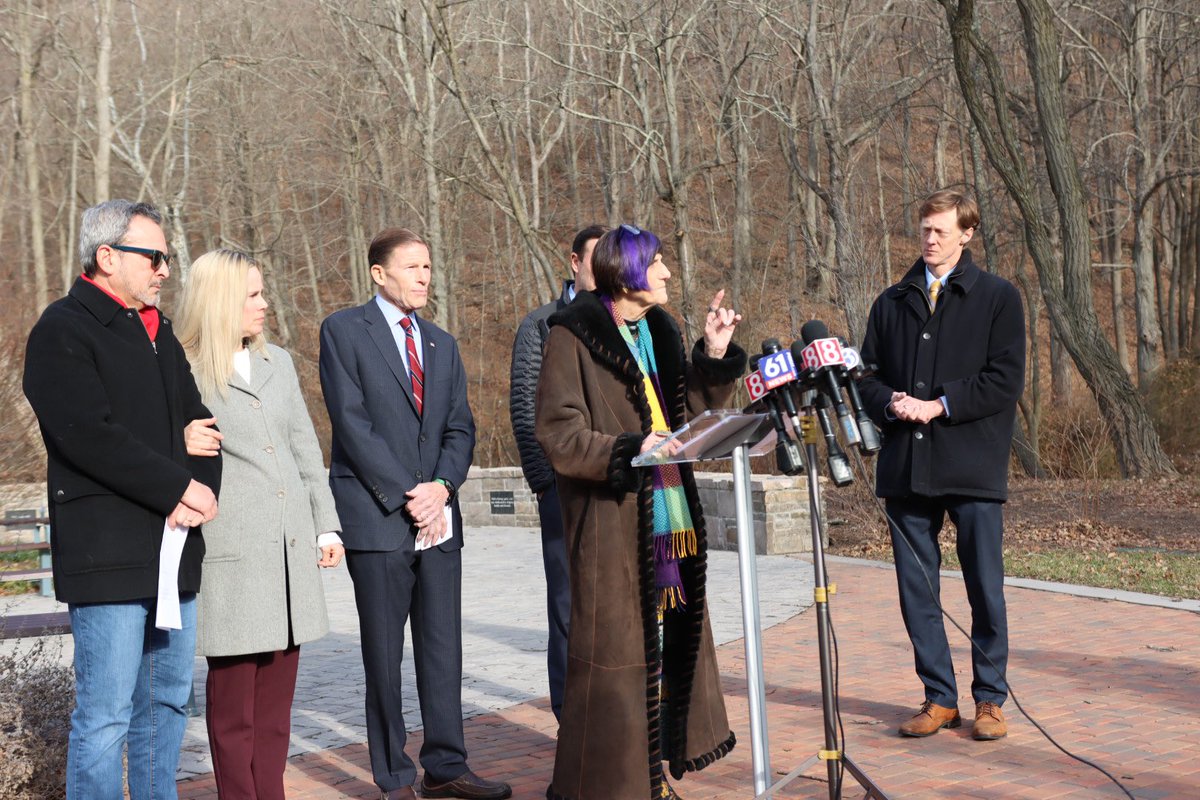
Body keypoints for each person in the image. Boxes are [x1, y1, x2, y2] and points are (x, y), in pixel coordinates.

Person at [535, 224, 744, 800]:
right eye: (657, 263)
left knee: (664, 651)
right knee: (618, 666)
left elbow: (687, 417)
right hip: (612, 523)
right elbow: (559, 434)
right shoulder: (572, 335)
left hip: (670, 522)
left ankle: (652, 779)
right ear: (627, 272)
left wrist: (716, 355)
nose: (669, 272)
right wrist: (630, 449)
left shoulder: (661, 331)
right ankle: (608, 787)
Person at [22, 199, 221, 800]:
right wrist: (177, 478)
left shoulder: (159, 334)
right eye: (154, 256)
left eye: (168, 258)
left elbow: (203, 428)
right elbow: (88, 435)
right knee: (106, 714)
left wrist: (200, 493)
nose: (165, 269)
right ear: (107, 256)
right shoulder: (62, 329)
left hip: (174, 549)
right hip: (108, 556)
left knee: (165, 704)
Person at [319, 228, 511, 800]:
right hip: (379, 519)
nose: (424, 276)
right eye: (412, 266)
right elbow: (353, 425)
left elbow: (460, 427)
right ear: (379, 273)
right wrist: (411, 494)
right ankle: (394, 775)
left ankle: (447, 767)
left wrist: (443, 488)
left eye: (428, 266)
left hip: (438, 522)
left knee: (441, 649)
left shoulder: (442, 344)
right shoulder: (344, 332)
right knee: (383, 655)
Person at [175, 249, 346, 799]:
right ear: (222, 299)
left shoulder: (280, 363)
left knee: (275, 711)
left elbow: (303, 449)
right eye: (252, 294)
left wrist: (326, 526)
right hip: (233, 558)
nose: (265, 303)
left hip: (291, 553)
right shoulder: (183, 369)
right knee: (232, 717)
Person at [857, 190, 1025, 741]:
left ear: (967, 234)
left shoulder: (999, 298)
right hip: (907, 467)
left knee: (984, 586)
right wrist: (891, 402)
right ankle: (938, 698)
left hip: (972, 466)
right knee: (917, 591)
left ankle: (990, 701)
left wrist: (940, 404)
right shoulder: (892, 300)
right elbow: (867, 376)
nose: (929, 240)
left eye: (941, 231)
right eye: (924, 229)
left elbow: (1003, 380)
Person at [508, 224, 608, 721]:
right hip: (562, 490)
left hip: (617, 487)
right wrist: (546, 483)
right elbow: (526, 406)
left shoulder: (628, 323)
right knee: (569, 608)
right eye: (597, 258)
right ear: (574, 263)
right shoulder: (541, 325)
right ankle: (572, 722)